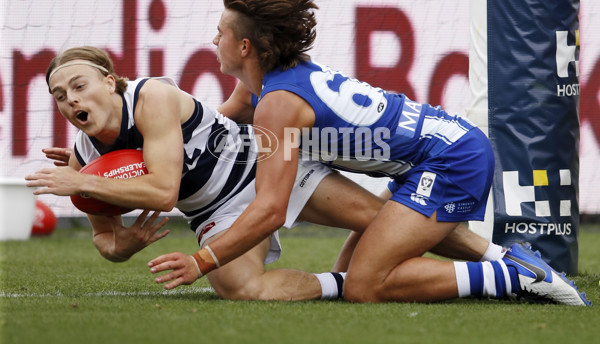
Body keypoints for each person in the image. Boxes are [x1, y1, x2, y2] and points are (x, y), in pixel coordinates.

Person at [183, 0, 589, 306]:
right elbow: (207, 128)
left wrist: (203, 260)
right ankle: (504, 259)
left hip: (450, 157)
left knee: (364, 285)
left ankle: (510, 276)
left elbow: (271, 209)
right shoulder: (260, 89)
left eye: (219, 33)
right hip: (430, 156)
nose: (212, 40)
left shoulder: (277, 103)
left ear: (245, 46)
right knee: (349, 273)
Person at [26, 46, 498, 302]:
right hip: (212, 209)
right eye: (59, 94)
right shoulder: (82, 156)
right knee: (245, 291)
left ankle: (503, 261)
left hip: (262, 165)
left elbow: (164, 190)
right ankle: (339, 284)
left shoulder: (152, 97)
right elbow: (105, 241)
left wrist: (83, 182)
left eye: (78, 85)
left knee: (383, 221)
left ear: (110, 81)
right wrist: (119, 246)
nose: (69, 99)